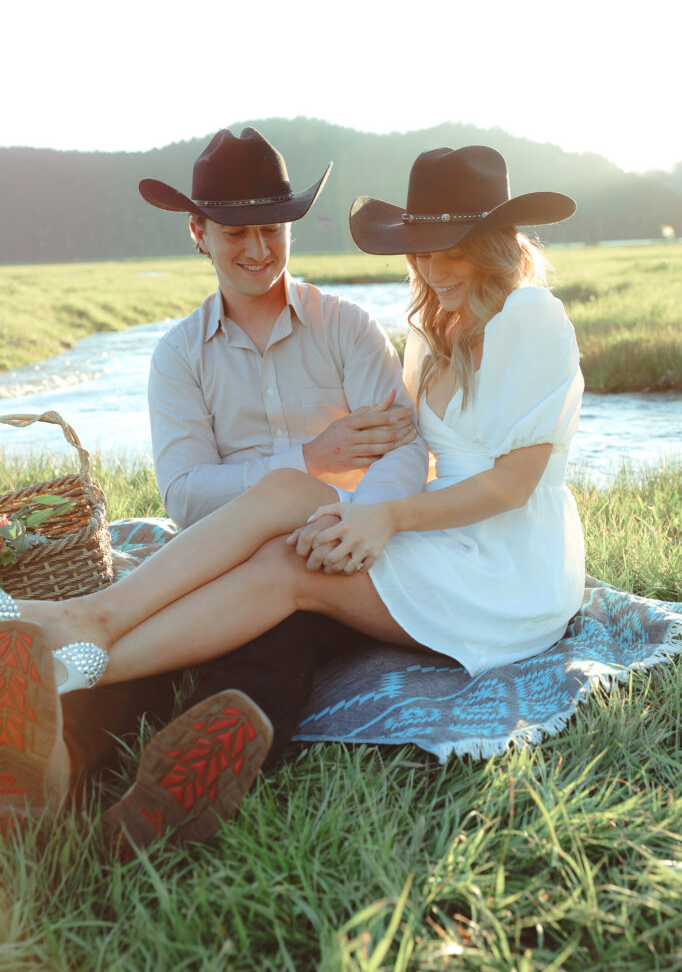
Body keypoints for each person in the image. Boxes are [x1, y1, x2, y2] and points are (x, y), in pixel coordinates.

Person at [1, 144, 585, 854]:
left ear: (492, 243)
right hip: (430, 533)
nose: (432, 267)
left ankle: (72, 655)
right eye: (420, 250)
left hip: (504, 565)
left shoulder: (526, 317)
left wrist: (375, 516)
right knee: (283, 502)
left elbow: (504, 481)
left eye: (450, 248)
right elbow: (190, 495)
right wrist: (337, 488)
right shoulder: (428, 330)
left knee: (288, 571)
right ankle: (80, 641)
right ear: (200, 236)